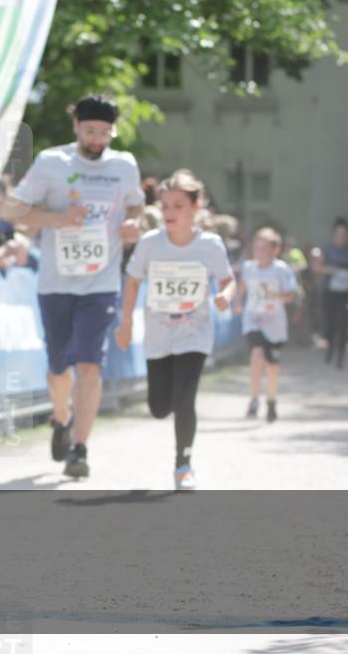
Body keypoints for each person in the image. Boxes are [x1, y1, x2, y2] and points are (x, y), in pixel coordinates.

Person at [6, 94, 144, 479]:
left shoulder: (124, 165)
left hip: (101, 283)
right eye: (90, 131)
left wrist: (135, 222)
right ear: (76, 127)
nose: (98, 139)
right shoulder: (52, 162)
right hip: (56, 283)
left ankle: (80, 450)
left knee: (90, 364)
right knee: (58, 368)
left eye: (105, 132)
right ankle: (61, 416)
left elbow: (136, 206)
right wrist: (58, 218)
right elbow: (12, 211)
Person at [115, 169, 235, 490]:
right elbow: (133, 281)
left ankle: (183, 464)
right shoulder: (150, 244)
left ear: (196, 207)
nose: (169, 213)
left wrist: (225, 295)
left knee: (185, 399)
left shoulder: (210, 246)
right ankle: (177, 442)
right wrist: (126, 322)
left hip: (194, 333)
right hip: (158, 334)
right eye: (165, 206)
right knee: (158, 407)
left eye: (178, 206)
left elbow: (227, 279)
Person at [234, 227, 297, 423]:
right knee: (256, 354)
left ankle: (271, 400)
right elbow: (242, 286)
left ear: (275, 250)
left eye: (264, 248)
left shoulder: (281, 270)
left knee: (272, 366)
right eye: (257, 248)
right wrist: (237, 302)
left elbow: (290, 296)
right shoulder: (249, 267)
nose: (259, 252)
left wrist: (272, 294)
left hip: (274, 323)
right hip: (253, 319)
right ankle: (253, 399)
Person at [313, 218, 348, 369]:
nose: (341, 238)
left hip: (347, 293)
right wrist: (331, 270)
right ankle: (330, 348)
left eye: (344, 235)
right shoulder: (327, 249)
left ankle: (340, 357)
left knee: (344, 324)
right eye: (339, 235)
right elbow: (316, 267)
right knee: (330, 324)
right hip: (330, 292)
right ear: (334, 235)